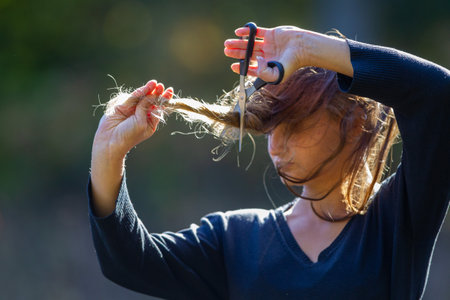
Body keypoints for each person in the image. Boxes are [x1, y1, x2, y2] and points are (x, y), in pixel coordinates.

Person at [88, 24, 449, 299]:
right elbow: (129, 263)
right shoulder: (236, 239)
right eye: (269, 129)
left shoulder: (397, 221)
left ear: (353, 125)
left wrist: (310, 48)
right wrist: (108, 152)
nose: (275, 145)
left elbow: (438, 94)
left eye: (293, 127)